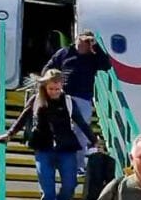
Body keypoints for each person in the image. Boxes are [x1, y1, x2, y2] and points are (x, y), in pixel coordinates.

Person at [0, 69, 93, 200]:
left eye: (57, 88)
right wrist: (9, 135)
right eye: (51, 89)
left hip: (66, 149)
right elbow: (23, 117)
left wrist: (94, 140)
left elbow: (81, 122)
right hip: (43, 150)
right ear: (44, 87)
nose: (55, 92)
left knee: (70, 186)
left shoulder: (67, 101)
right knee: (48, 194)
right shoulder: (36, 101)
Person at [43, 29, 111, 173]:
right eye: (84, 40)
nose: (86, 44)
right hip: (63, 95)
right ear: (77, 39)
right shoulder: (65, 52)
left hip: (83, 98)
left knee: (80, 131)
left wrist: (96, 47)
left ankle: (78, 165)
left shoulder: (93, 57)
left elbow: (106, 66)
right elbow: (49, 67)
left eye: (89, 42)